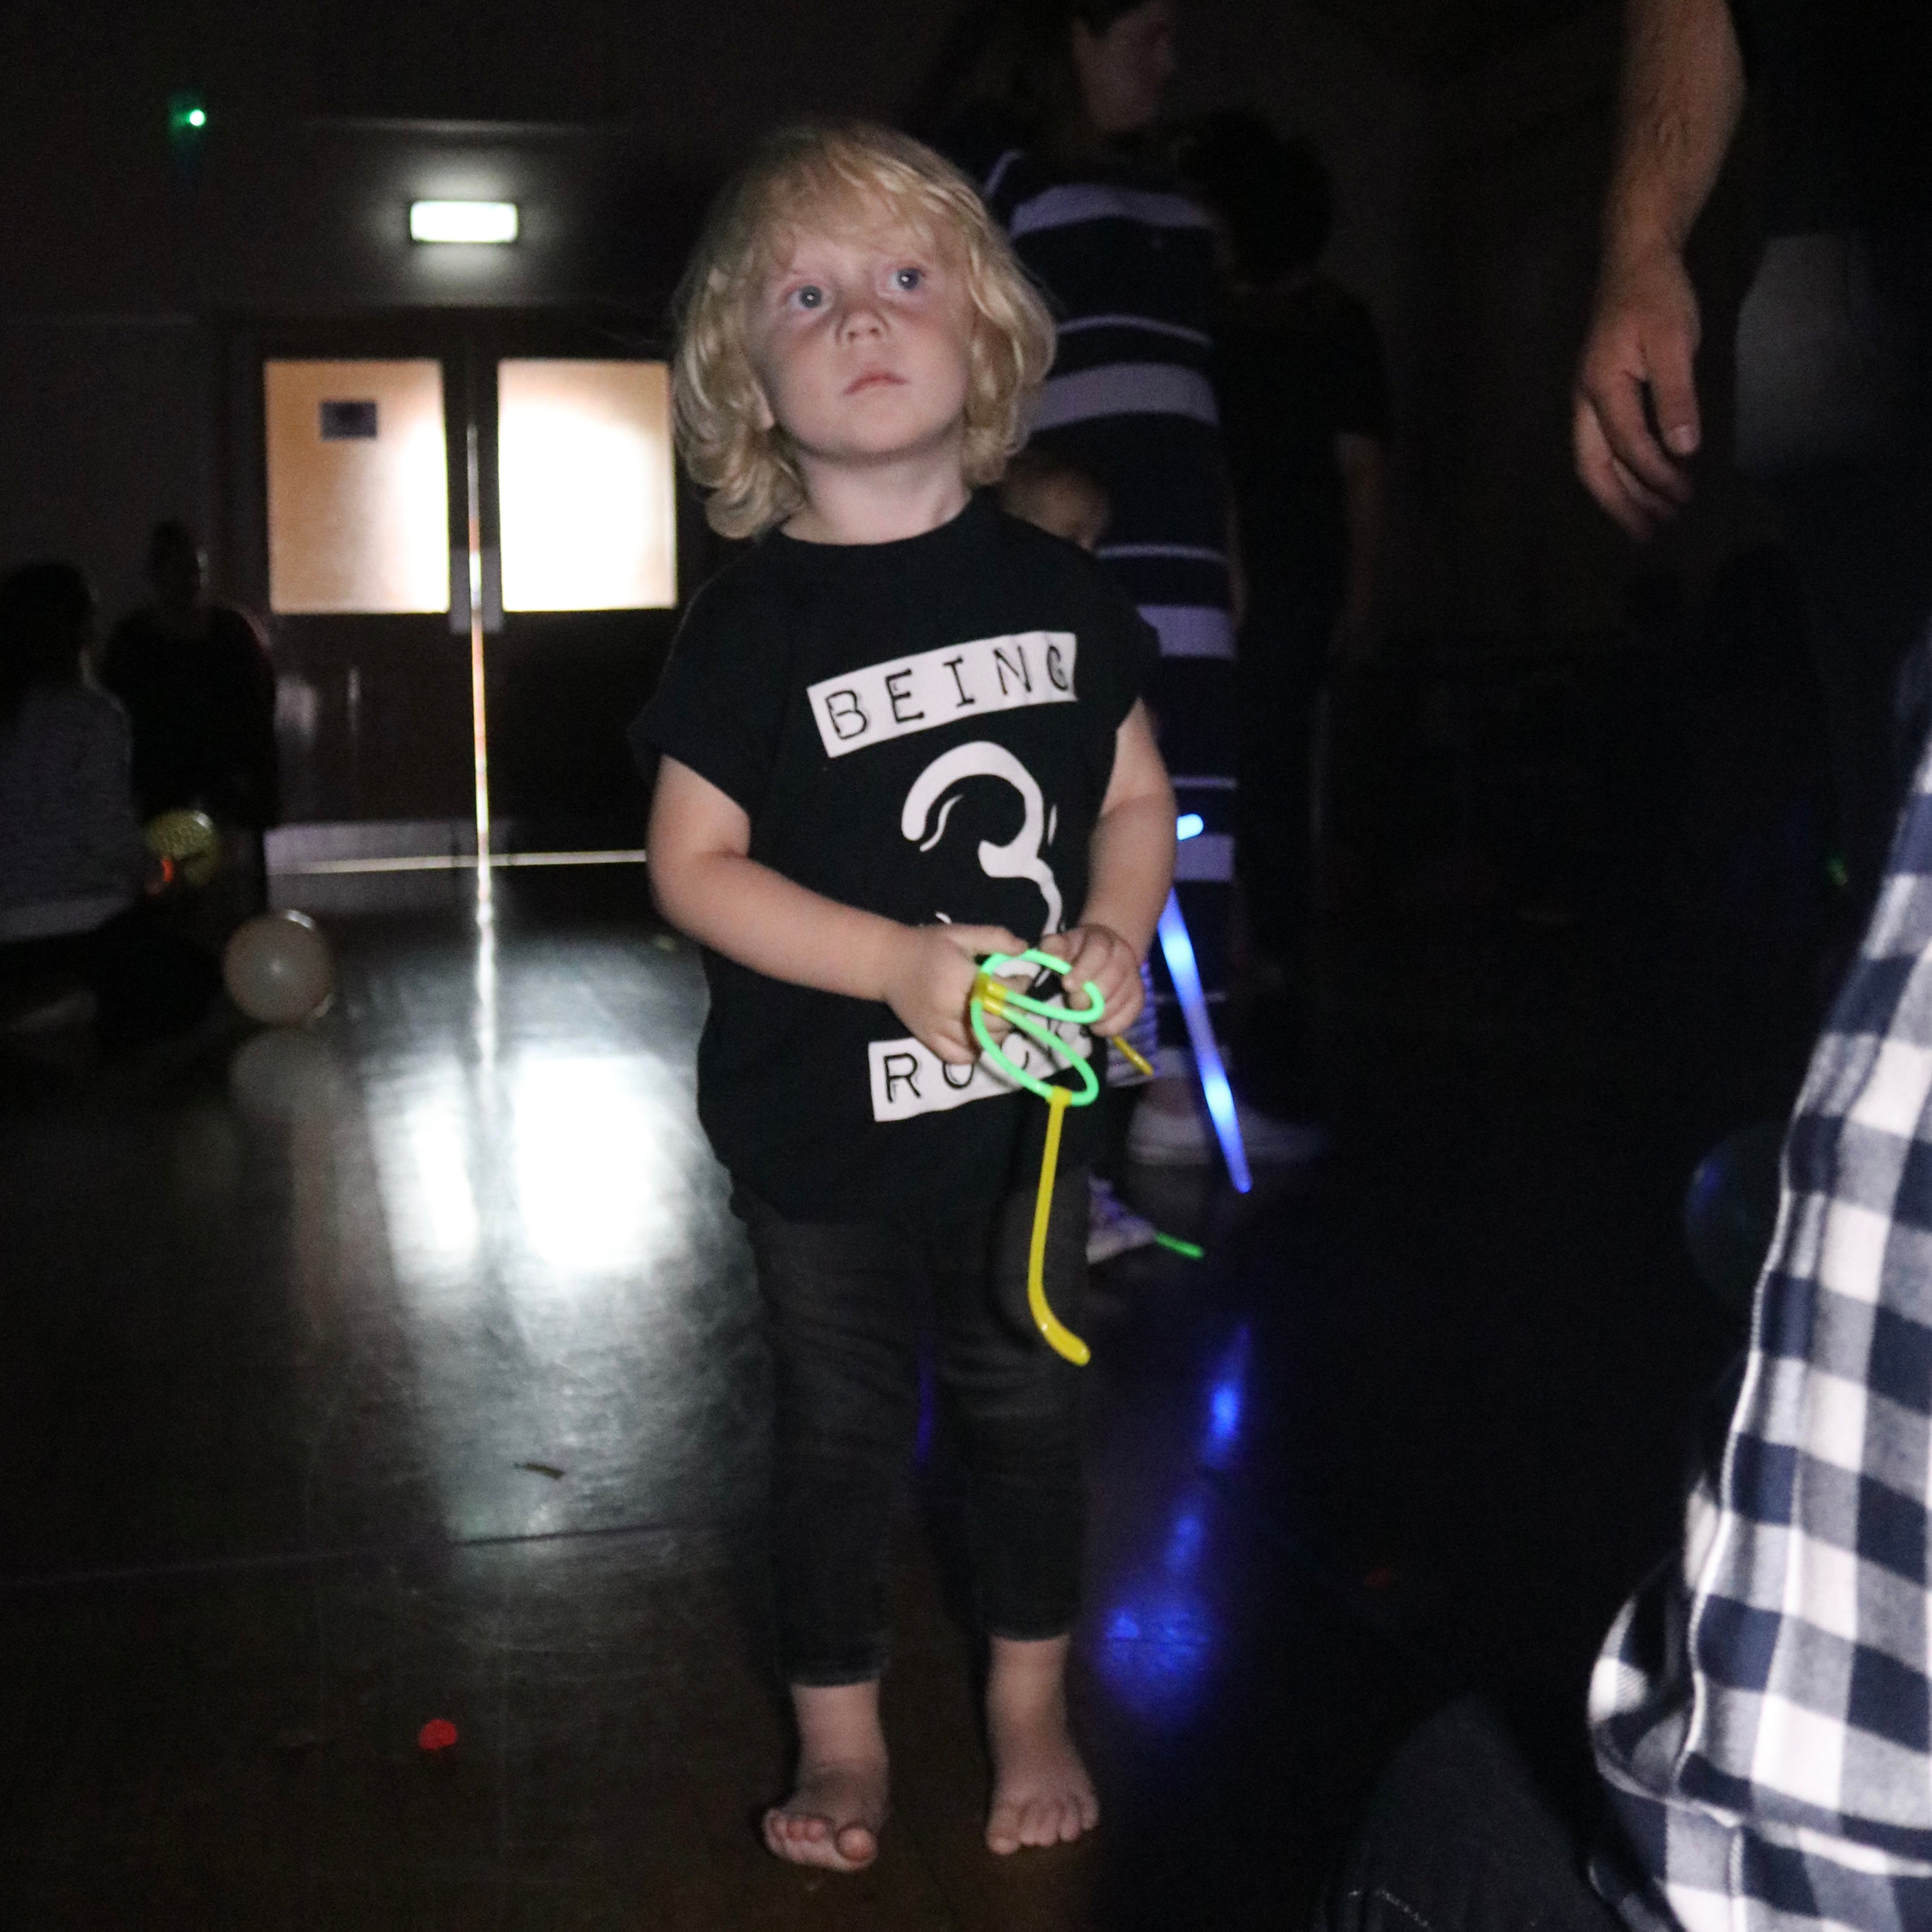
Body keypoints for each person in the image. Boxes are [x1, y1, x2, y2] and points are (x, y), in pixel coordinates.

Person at [631, 122, 1176, 1870]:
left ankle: (1028, 1703)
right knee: (839, 1434)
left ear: (989, 335)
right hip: (820, 1133)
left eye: (903, 278)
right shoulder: (748, 629)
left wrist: (1114, 929)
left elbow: (1136, 800)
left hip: (1024, 1130)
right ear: (745, 383)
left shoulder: (1061, 593)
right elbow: (690, 864)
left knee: (1028, 1411)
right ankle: (841, 1734)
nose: (860, 315)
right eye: (805, 297)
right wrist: (889, 963)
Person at [940, 0, 1326, 1168]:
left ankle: (1183, 1091)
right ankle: (1041, 1118)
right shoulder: (998, 168)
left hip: (1184, 538)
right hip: (1073, 530)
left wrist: (1228, 543)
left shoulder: (1172, 193)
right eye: (1145, 33)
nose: (1170, 59)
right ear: (1074, 32)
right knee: (1067, 805)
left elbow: (1195, 385)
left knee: (1194, 802)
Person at [1573, 0, 1932, 924]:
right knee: (1886, 795)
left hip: (1831, 295)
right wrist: (1639, 243)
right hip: (1851, 278)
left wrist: (1643, 242)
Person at [1180, 112, 1389, 1119]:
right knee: (1234, 759)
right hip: (1237, 564)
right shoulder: (1220, 318)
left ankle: (1273, 955)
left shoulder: (1327, 323)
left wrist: (1360, 590)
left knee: (1266, 761)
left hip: (1290, 569)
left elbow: (1361, 470)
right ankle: (1243, 947)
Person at [997, 446, 1164, 1262]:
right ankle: (1053, 1203)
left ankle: (1083, 1189)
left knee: (1111, 1047)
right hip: (1030, 898)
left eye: (1096, 541)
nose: (1086, 559)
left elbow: (1137, 768)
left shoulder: (1095, 630)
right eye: (1068, 539)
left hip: (1101, 897)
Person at [0, 562, 219, 1050]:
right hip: (92, 928)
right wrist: (161, 873)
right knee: (204, 982)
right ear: (77, 631)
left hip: (8, 939)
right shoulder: (92, 715)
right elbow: (106, 835)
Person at [100, 520, 279, 934]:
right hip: (173, 788)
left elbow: (257, 714)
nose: (191, 581)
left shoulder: (224, 634)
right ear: (157, 575)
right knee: (182, 903)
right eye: (181, 569)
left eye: (195, 570)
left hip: (218, 791)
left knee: (221, 902)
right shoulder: (142, 641)